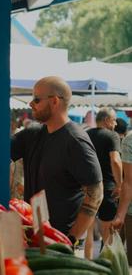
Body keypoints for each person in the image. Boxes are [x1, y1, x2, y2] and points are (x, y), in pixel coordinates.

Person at [11, 76, 103, 243]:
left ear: (54, 101)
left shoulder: (75, 141)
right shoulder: (33, 134)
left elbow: (96, 193)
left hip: (58, 240)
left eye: (36, 99)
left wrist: (70, 239)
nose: (31, 104)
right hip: (32, 234)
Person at [84, 108, 122, 258]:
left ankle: (87, 263)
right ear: (106, 120)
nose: (115, 124)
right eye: (113, 120)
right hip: (107, 189)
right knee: (107, 231)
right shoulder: (112, 136)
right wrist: (119, 185)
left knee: (88, 229)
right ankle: (107, 265)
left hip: (87, 187)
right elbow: (115, 160)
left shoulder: (86, 134)